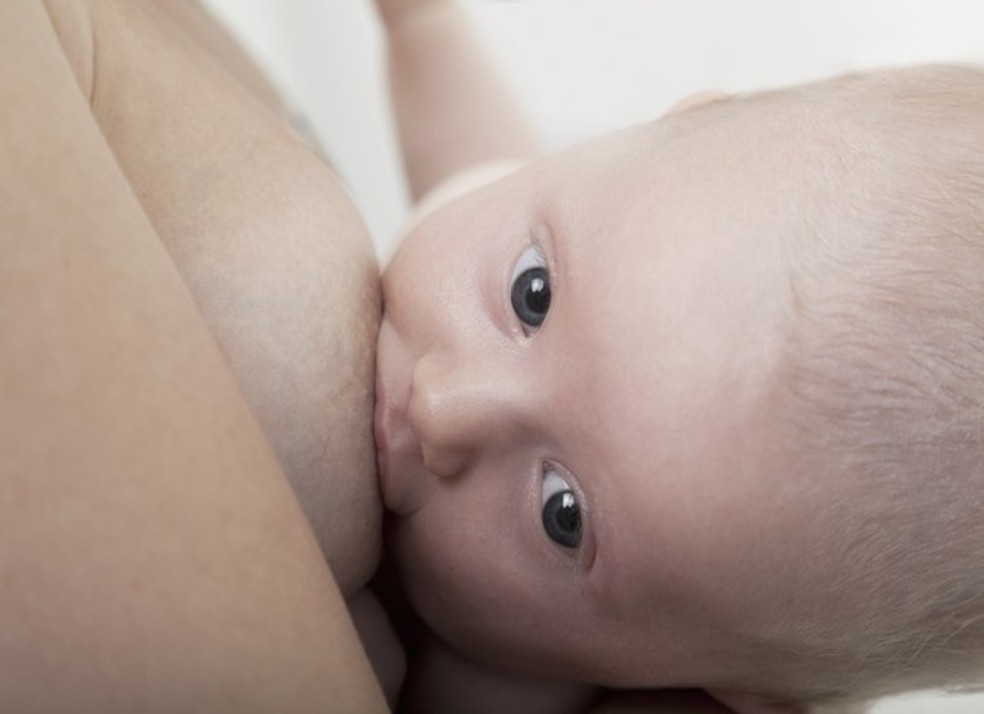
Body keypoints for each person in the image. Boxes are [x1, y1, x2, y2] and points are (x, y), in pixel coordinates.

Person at [376, 4, 984, 711]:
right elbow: (470, 157)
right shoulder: (504, 229)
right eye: (531, 296)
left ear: (742, 690)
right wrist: (420, 25)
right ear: (656, 130)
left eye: (563, 514)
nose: (442, 409)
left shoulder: (481, 690)